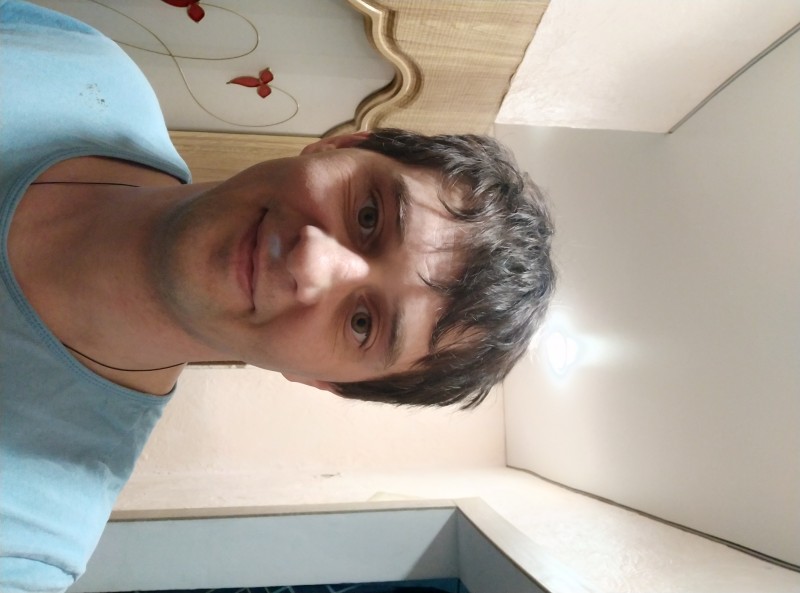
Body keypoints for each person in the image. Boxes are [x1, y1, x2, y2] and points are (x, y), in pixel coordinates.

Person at [0, 1, 555, 591]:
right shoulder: (76, 62)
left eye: (362, 324)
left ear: (322, 381)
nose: (311, 262)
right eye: (369, 215)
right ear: (340, 145)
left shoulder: (26, 539)